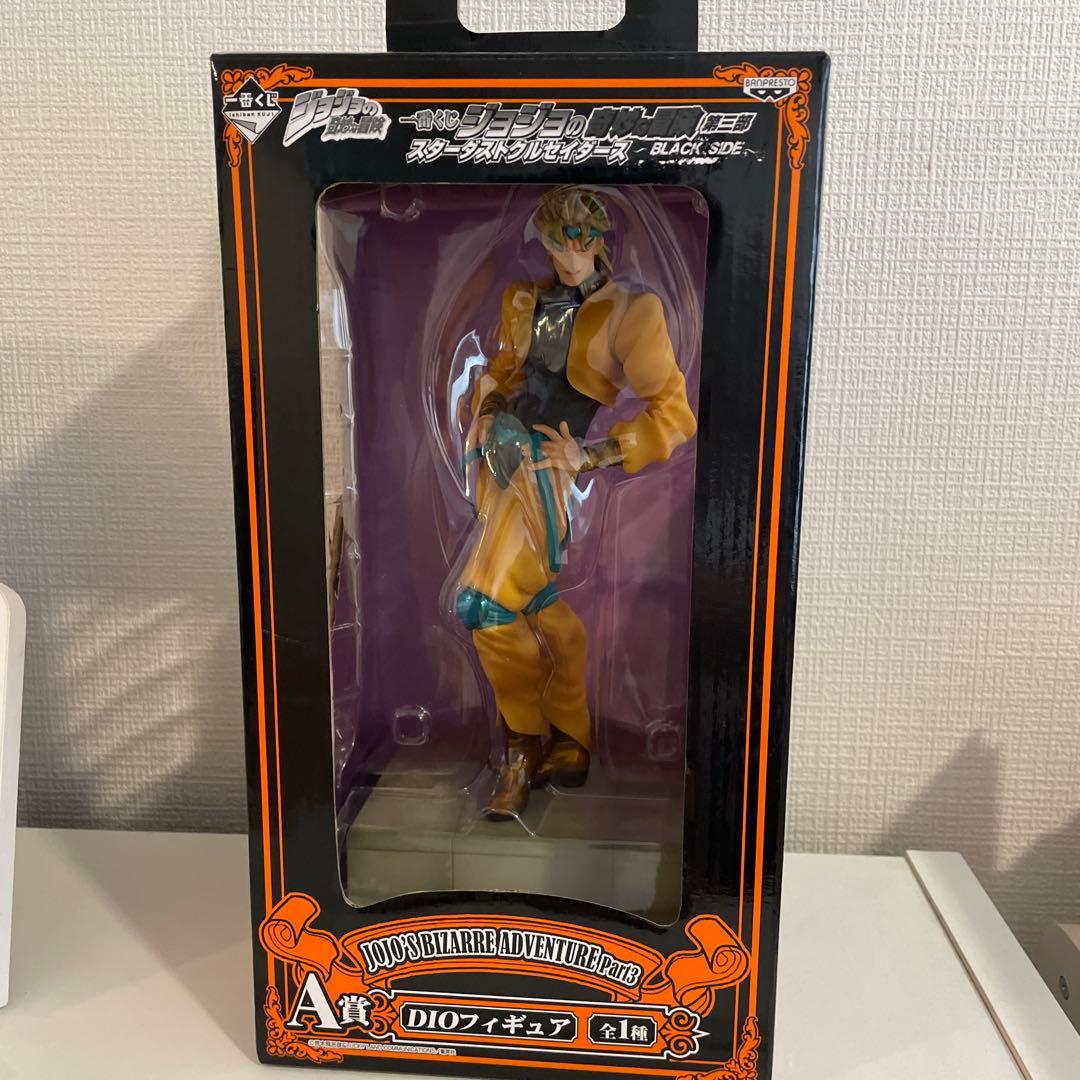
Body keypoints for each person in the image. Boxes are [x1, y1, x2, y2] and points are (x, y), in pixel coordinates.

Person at [456, 186, 696, 820]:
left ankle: (522, 746)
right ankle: (571, 734)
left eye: (580, 239)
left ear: (599, 239)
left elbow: (674, 415)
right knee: (535, 604)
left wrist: (592, 456)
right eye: (556, 240)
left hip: (548, 472)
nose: (568, 254)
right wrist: (486, 407)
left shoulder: (632, 310)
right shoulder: (523, 300)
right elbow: (504, 372)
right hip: (496, 464)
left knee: (485, 606)